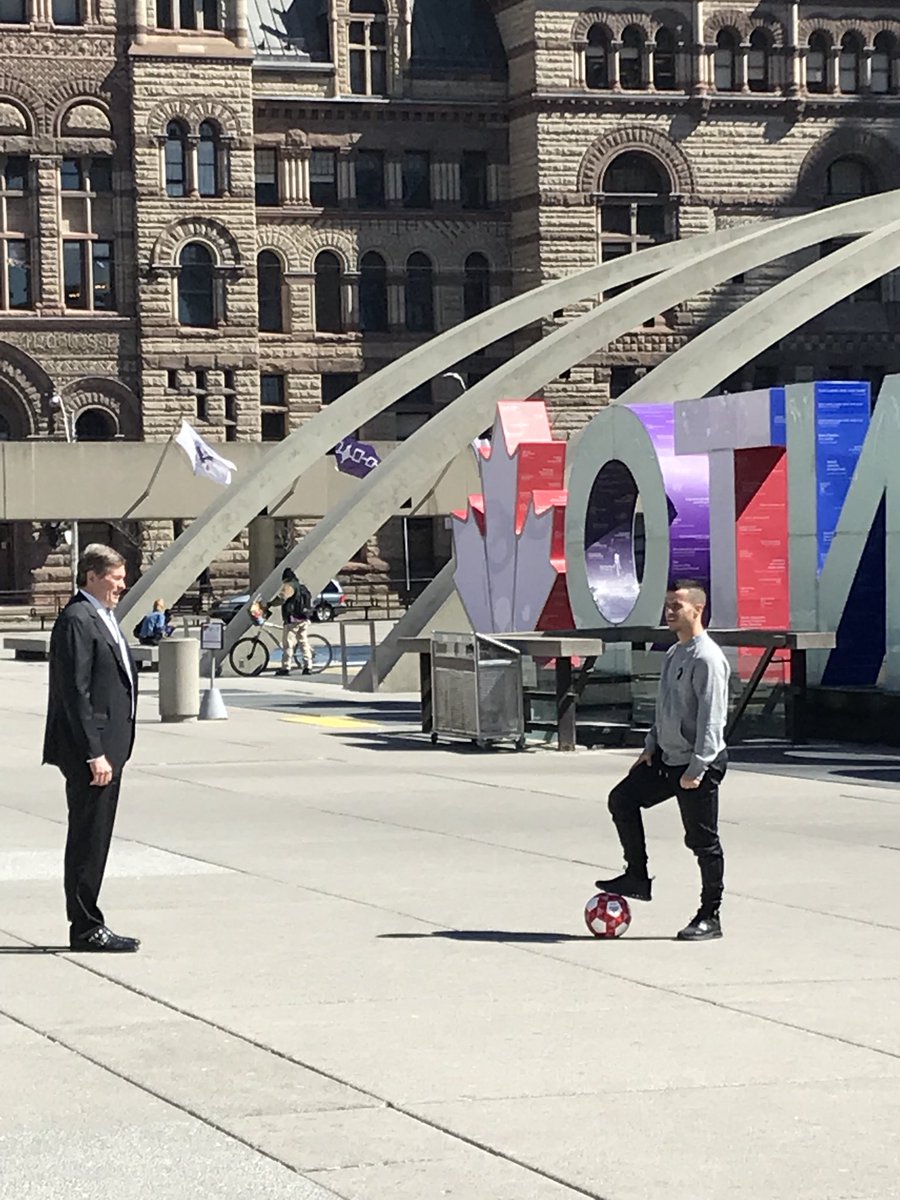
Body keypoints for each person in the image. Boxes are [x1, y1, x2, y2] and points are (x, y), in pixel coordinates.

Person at [594, 580, 731, 942]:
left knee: (702, 842)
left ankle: (710, 915)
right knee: (622, 799)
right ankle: (636, 876)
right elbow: (665, 707)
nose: (669, 612)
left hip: (697, 766)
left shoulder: (708, 658)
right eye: (668, 605)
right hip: (666, 757)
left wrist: (698, 768)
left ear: (697, 610)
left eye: (677, 606)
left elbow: (712, 719)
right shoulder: (674, 653)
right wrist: (651, 744)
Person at [43, 544, 141, 953]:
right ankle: (85, 926)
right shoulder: (77, 620)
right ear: (92, 576)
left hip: (110, 749)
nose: (122, 585)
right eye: (116, 578)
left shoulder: (104, 617)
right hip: (92, 753)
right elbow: (75, 693)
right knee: (88, 838)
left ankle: (88, 918)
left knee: (96, 837)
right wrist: (93, 752)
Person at [269, 567, 313, 676]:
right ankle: (308, 666)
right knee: (303, 642)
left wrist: (270, 603)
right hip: (303, 618)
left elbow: (282, 598)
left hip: (292, 620)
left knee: (288, 644)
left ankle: (285, 667)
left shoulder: (289, 586)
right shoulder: (300, 586)